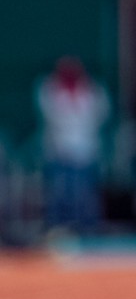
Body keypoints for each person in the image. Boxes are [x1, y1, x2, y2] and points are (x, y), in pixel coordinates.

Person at [36, 57, 109, 236]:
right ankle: (58, 230)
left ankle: (88, 231)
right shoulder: (48, 89)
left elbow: (100, 115)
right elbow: (53, 117)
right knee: (59, 193)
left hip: (85, 151)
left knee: (84, 194)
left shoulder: (93, 91)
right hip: (59, 151)